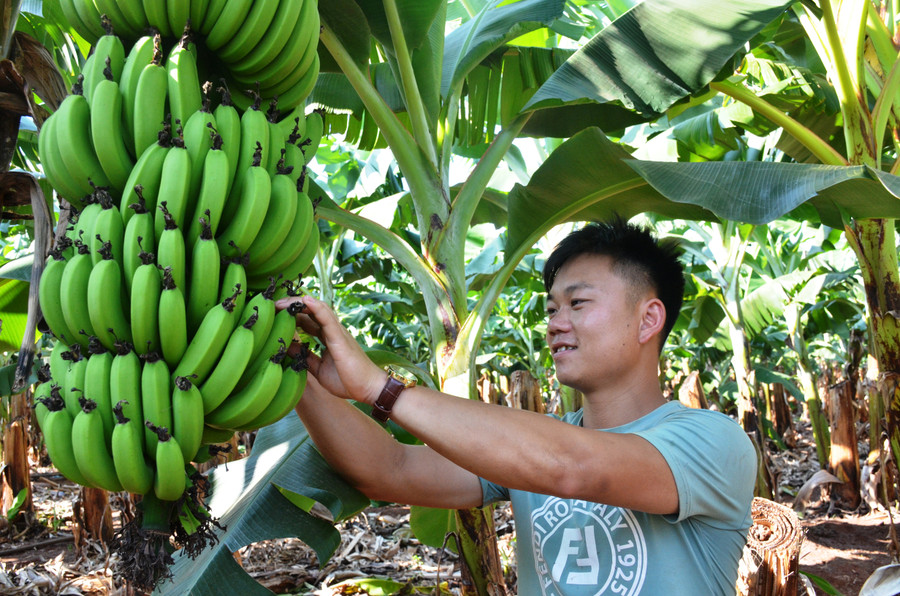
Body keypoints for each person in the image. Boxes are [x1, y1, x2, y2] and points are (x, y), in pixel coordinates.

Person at [276, 217, 757, 595]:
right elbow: (391, 467)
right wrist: (294, 371)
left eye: (578, 303)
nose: (555, 324)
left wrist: (378, 387)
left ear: (648, 318)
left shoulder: (712, 443)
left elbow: (571, 466)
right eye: (551, 310)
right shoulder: (527, 448)